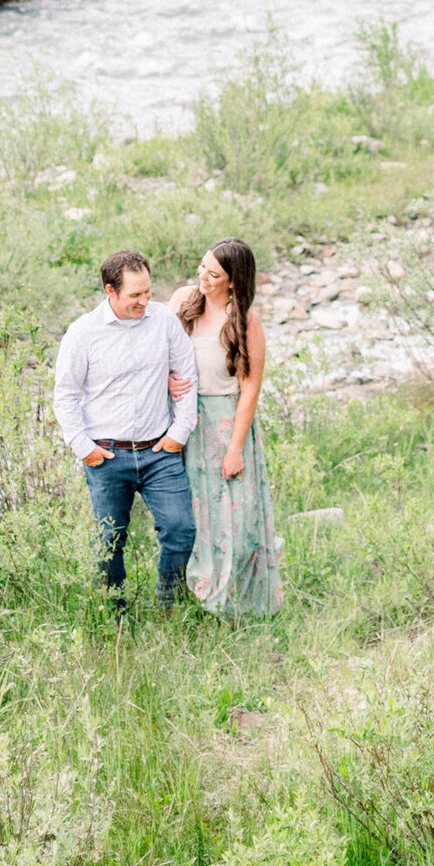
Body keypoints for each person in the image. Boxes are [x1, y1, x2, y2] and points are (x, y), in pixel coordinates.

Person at [54, 247, 198, 610]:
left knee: (181, 530)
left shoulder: (164, 320)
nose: (144, 301)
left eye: (148, 291)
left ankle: (171, 606)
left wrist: (179, 434)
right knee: (109, 541)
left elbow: (187, 377)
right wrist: (82, 446)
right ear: (110, 291)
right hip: (106, 454)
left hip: (159, 451)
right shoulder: (83, 333)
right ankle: (115, 616)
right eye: (135, 294)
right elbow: (66, 395)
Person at [168, 239, 283, 617]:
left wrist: (235, 447)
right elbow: (157, 352)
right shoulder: (184, 301)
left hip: (226, 424)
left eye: (214, 274)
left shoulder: (245, 320)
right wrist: (167, 380)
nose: (203, 276)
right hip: (184, 422)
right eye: (202, 266)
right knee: (191, 514)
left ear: (233, 281)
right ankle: (193, 593)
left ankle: (234, 601)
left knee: (234, 514)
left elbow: (250, 388)